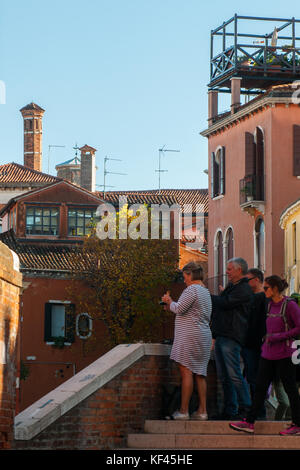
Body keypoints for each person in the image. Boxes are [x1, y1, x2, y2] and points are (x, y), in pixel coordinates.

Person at [230, 275, 300, 435]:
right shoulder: (268, 305)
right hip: (267, 354)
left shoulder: (290, 305)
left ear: (275, 288)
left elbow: (299, 327)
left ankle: (297, 424)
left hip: (285, 354)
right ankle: (249, 422)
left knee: (290, 389)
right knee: (260, 388)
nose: (264, 290)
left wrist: (277, 337)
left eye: (267, 287)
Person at [161, 261, 212, 420]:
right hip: (203, 334)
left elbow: (179, 308)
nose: (184, 281)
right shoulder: (205, 291)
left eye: (185, 277)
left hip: (189, 335)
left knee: (186, 371)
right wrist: (171, 305)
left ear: (190, 274)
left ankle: (183, 411)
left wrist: (169, 301)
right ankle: (202, 411)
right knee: (200, 373)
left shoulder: (192, 290)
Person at [210, 257, 253, 419]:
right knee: (224, 376)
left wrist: (206, 295)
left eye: (229, 269)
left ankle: (246, 408)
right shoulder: (233, 287)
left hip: (232, 336)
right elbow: (222, 306)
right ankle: (230, 410)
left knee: (234, 374)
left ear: (239, 270)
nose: (226, 272)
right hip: (223, 335)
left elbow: (225, 303)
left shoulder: (243, 289)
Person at [241, 268, 268, 418]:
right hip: (249, 345)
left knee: (254, 379)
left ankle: (258, 412)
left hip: (256, 346)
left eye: (248, 280)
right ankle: (255, 410)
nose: (245, 283)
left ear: (256, 280)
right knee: (251, 378)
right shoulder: (252, 298)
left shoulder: (263, 299)